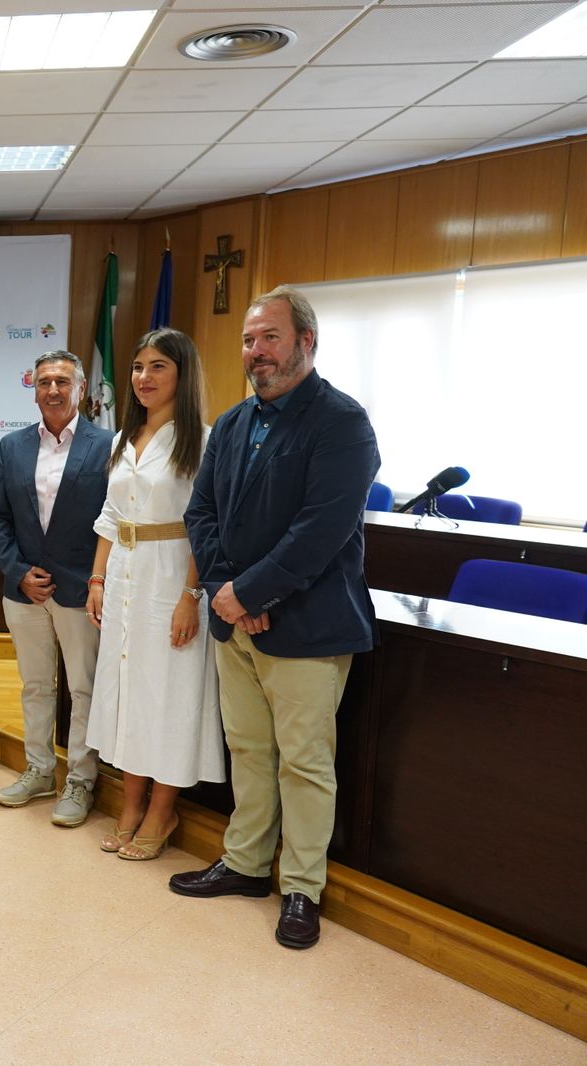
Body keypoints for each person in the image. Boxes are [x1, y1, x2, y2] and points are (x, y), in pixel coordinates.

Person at [172, 285, 380, 951]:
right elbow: (201, 514)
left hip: (309, 629)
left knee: (305, 762)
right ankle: (244, 864)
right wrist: (230, 592)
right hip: (238, 623)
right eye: (247, 340)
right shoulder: (233, 423)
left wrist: (248, 594)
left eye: (269, 338)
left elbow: (320, 532)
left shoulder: (343, 423)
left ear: (305, 343)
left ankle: (301, 888)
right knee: (249, 752)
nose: (254, 351)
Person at [84, 328, 223, 861]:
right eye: (138, 366)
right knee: (125, 690)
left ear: (182, 375)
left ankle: (162, 811)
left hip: (173, 578)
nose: (143, 377)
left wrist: (192, 592)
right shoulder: (123, 438)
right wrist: (97, 580)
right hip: (122, 573)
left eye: (158, 366)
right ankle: (130, 803)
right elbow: (110, 517)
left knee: (168, 693)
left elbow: (204, 524)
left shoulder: (202, 440)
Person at [0, 351, 112, 825]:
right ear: (33, 389)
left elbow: (111, 521)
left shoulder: (107, 445)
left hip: (80, 588)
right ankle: (39, 770)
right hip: (24, 588)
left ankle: (80, 780)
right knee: (36, 686)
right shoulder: (12, 446)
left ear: (80, 389)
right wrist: (17, 570)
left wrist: (95, 578)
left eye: (62, 381)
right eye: (43, 382)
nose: (53, 390)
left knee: (83, 687)